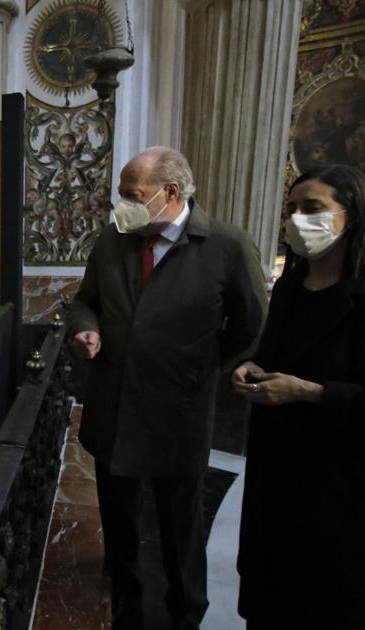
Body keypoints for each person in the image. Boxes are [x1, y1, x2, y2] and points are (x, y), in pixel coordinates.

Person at [67, 146, 267, 629]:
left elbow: (251, 323)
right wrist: (85, 326)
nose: (122, 206)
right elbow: (85, 300)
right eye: (121, 195)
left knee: (179, 523)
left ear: (170, 192)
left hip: (176, 413)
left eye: (133, 195)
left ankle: (186, 609)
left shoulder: (226, 245)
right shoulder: (115, 238)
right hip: (115, 406)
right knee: (119, 516)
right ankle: (125, 595)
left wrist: (202, 367)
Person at [233, 165, 365, 629]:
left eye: (312, 208)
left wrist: (314, 394)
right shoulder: (291, 288)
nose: (297, 218)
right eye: (291, 208)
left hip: (344, 498)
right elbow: (275, 357)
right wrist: (251, 370)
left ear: (354, 215)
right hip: (276, 490)